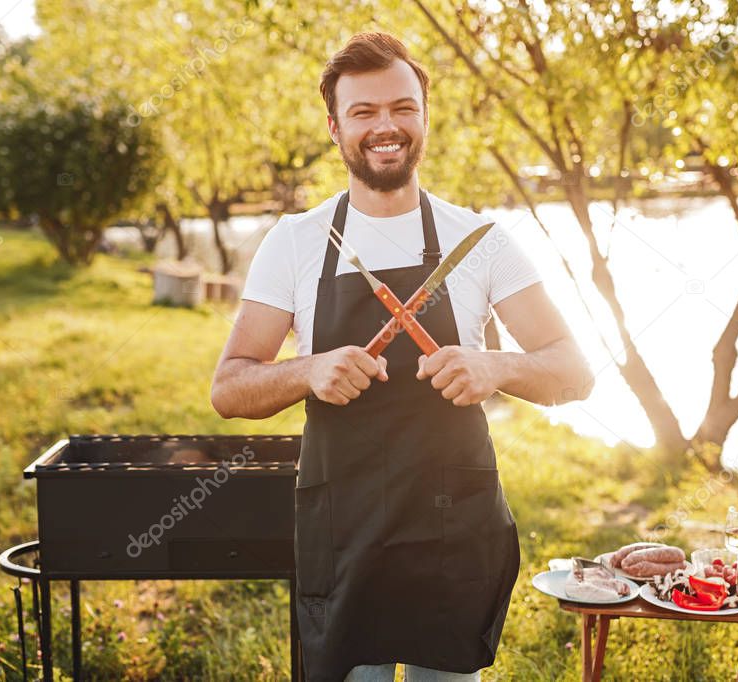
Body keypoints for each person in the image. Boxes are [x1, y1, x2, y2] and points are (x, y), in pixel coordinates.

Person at [211, 31, 595, 682]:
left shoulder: (481, 241)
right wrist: (307, 371)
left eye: (401, 107)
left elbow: (573, 372)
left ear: (423, 116)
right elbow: (228, 388)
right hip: (345, 530)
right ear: (335, 128)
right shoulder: (296, 241)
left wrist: (494, 367)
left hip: (453, 531)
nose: (384, 126)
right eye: (363, 112)